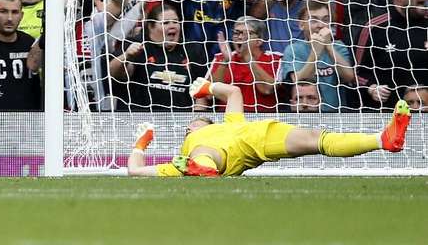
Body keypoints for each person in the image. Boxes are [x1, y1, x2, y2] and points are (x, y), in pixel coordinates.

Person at [126, 78, 411, 177]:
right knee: (204, 152)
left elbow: (234, 93)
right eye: (189, 127)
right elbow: (135, 170)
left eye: (198, 121)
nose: (192, 124)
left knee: (315, 138)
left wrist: (207, 88)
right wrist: (141, 142)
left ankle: (384, 139)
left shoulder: (231, 121)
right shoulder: (187, 149)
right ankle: (204, 171)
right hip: (221, 156)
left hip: (261, 138)